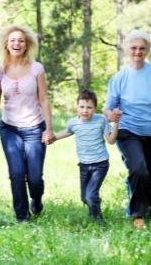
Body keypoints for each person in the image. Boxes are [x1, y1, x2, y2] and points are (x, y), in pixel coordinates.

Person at [0, 25, 54, 222]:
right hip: (9, 128)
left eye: (20, 40)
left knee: (35, 178)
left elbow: (44, 98)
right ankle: (22, 217)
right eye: (12, 40)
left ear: (27, 44)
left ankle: (36, 201)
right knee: (17, 173)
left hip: (35, 127)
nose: (16, 44)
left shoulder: (36, 68)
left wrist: (49, 129)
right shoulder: (1, 70)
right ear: (6, 44)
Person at [104, 29, 151, 230]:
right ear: (127, 50)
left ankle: (145, 205)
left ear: (147, 50)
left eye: (142, 48)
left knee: (148, 173)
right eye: (133, 48)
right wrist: (111, 114)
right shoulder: (120, 78)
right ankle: (138, 214)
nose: (137, 52)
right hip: (128, 130)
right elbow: (107, 109)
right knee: (139, 168)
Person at [50, 90, 120, 223]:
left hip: (100, 164)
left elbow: (111, 141)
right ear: (77, 107)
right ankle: (94, 202)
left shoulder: (101, 120)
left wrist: (116, 123)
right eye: (81, 107)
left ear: (95, 108)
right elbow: (68, 131)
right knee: (84, 197)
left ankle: (98, 221)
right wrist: (53, 138)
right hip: (84, 165)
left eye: (89, 107)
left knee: (90, 195)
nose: (85, 110)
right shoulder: (73, 122)